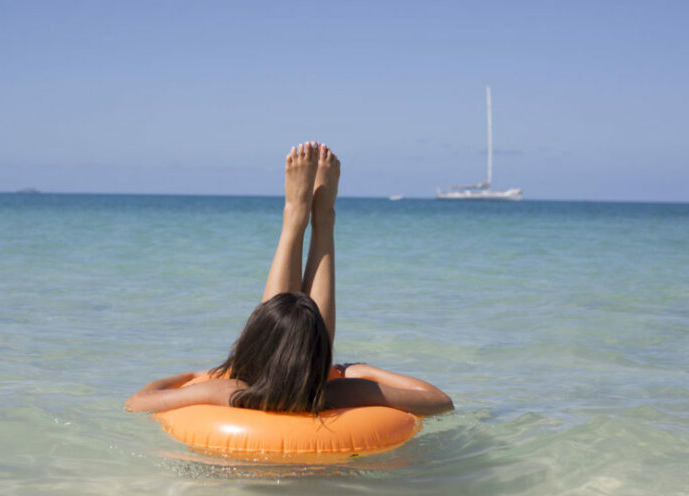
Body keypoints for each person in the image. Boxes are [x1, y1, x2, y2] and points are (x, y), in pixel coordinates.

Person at [125, 142, 453, 416]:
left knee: (284, 316)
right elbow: (440, 401)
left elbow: (136, 403)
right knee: (298, 320)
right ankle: (323, 219)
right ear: (323, 348)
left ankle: (295, 215)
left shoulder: (231, 390)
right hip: (318, 387)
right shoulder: (339, 392)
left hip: (257, 383)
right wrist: (357, 370)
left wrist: (194, 377)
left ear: (250, 343)